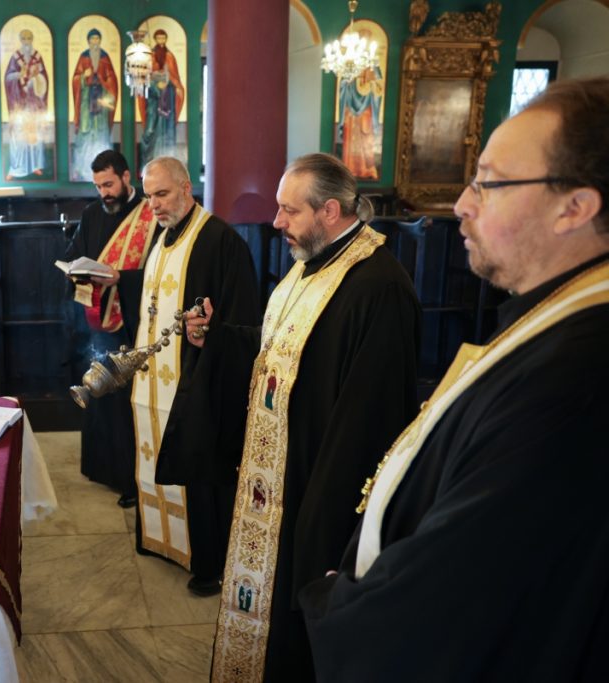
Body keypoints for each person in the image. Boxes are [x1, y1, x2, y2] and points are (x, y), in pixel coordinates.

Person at [298, 77, 609, 680]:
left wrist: (342, 602)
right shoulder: (556, 313)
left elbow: (465, 584)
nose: (462, 204)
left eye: (488, 183)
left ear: (576, 207)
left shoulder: (577, 374)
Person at [188, 153, 421, 680]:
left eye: (288, 211)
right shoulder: (309, 266)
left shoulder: (377, 287)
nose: (276, 223)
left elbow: (371, 422)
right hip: (280, 481)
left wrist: (323, 520)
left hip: (314, 491)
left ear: (330, 211)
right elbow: (284, 353)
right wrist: (220, 333)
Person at [93, 156, 260, 596]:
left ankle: (206, 560)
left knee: (199, 470)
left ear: (187, 188)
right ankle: (162, 540)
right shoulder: (162, 239)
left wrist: (212, 339)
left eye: (162, 194)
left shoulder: (221, 241)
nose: (154, 206)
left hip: (197, 382)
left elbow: (245, 322)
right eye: (148, 197)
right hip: (153, 381)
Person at [65, 150, 159, 506]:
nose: (103, 192)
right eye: (97, 186)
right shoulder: (91, 214)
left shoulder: (151, 216)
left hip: (134, 323)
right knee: (99, 391)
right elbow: (75, 252)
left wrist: (122, 278)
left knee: (125, 402)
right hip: (98, 321)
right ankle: (102, 467)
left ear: (126, 176)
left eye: (108, 184)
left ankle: (129, 480)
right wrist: (75, 270)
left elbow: (156, 271)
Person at [71, 29, 118, 182]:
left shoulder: (105, 57)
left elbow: (112, 79)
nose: (95, 42)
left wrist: (105, 83)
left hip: (102, 103)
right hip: (86, 101)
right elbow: (76, 78)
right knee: (85, 133)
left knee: (101, 133)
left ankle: (104, 173)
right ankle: (83, 169)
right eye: (92, 39)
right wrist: (83, 77)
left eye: (97, 38)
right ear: (88, 41)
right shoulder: (83, 57)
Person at [4, 29, 49, 180]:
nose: (27, 41)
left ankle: (35, 165)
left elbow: (44, 78)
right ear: (20, 40)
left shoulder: (37, 56)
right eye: (24, 38)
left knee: (34, 134)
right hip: (19, 104)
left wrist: (37, 77)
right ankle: (16, 168)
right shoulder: (15, 57)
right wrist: (19, 74)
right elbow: (8, 78)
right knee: (18, 135)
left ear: (32, 39)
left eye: (29, 38)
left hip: (33, 103)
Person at [138, 29, 185, 168]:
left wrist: (169, 83)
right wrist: (155, 83)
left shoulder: (170, 56)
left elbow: (175, 78)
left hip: (167, 100)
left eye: (163, 38)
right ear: (155, 39)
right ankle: (147, 165)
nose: (161, 41)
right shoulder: (149, 56)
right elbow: (143, 79)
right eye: (158, 38)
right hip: (152, 100)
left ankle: (167, 166)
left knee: (166, 131)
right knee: (150, 130)